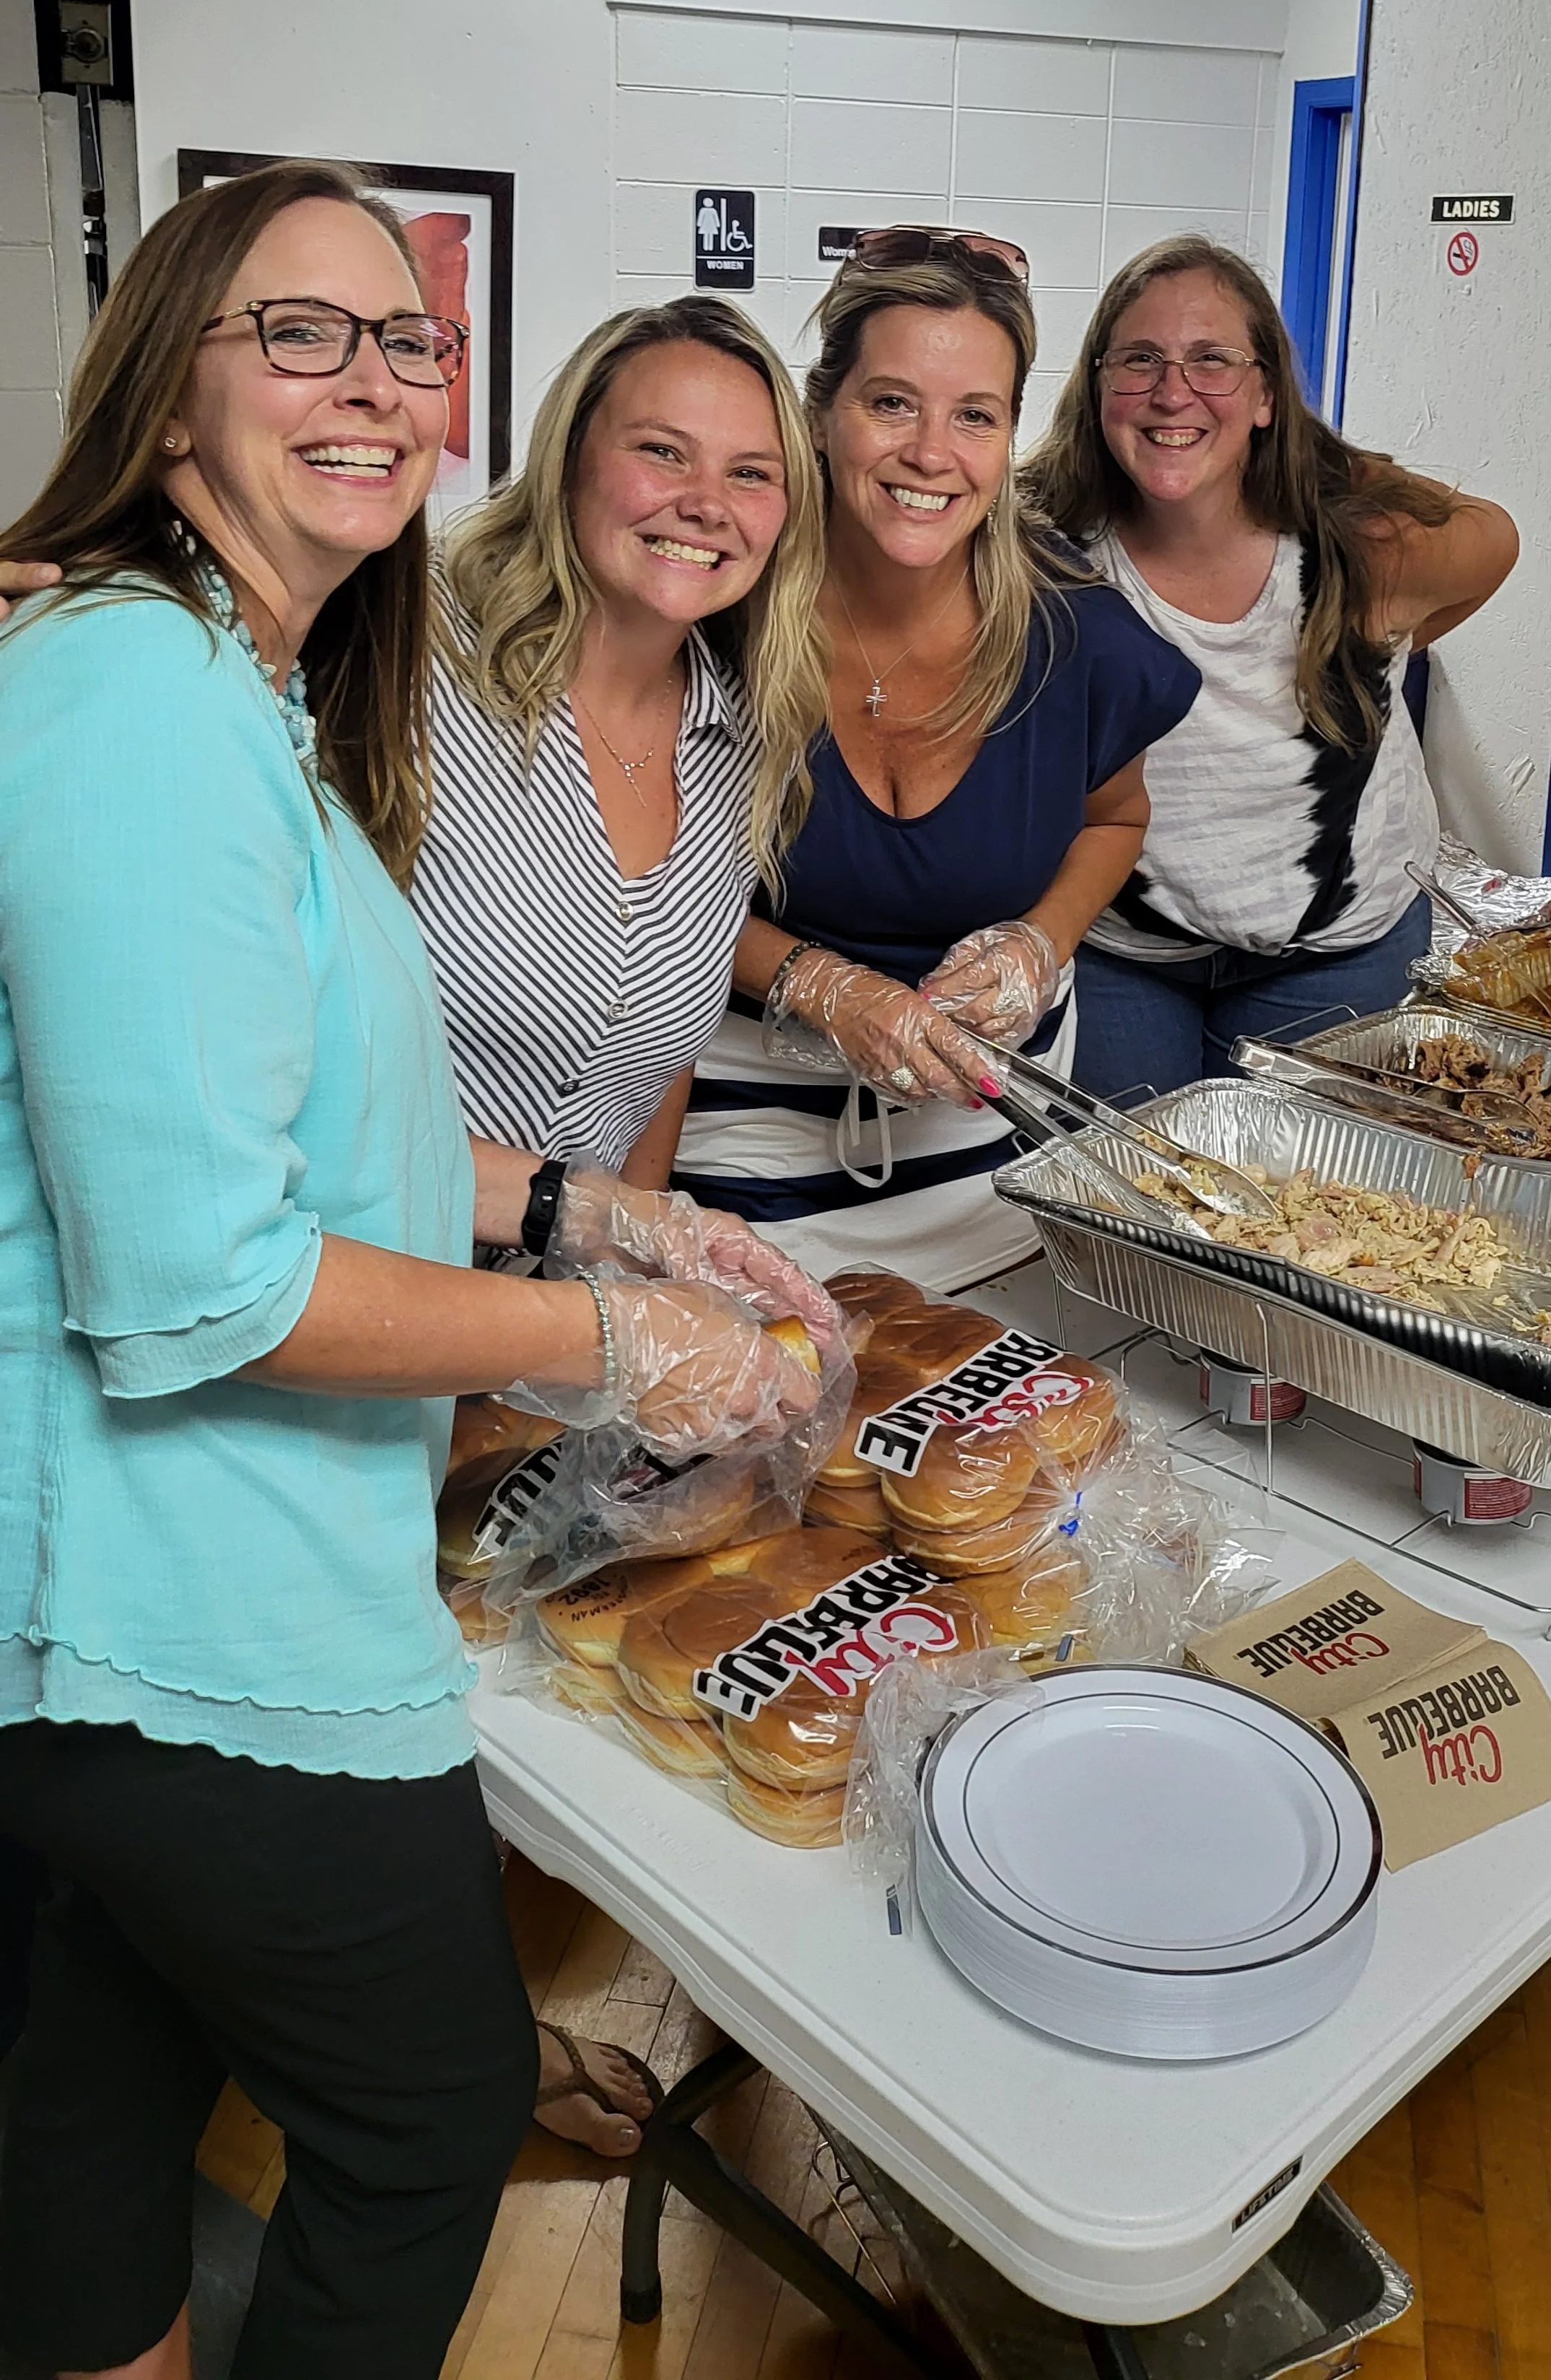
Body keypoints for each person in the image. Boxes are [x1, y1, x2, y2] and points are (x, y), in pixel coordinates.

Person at [0, 162, 824, 2380]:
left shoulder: (240, 686)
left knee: (97, 2074)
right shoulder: (134, 696)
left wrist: (595, 1207)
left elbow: (312, 1134)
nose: (370, 384)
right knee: (429, 2104)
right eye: (301, 333)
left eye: (404, 340)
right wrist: (611, 1336)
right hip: (187, 1598)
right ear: (168, 376)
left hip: (156, 1601)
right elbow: (203, 1276)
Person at [674, 230, 1200, 1286]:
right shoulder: (714, 608)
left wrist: (1040, 947)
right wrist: (816, 985)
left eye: (976, 416)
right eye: (891, 403)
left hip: (988, 1149)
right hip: (740, 1138)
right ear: (822, 414)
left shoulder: (1076, 639)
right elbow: (624, 878)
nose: (931, 454)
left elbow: (1113, 818)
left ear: (1011, 437)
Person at [1023, 237, 1518, 1096]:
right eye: (1140, 360)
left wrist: (1378, 619)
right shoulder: (1042, 554)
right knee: (1134, 1212)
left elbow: (1494, 542)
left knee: (1311, 1218)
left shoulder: (1363, 551)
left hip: (1337, 954)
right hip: (1123, 955)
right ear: (1098, 384)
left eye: (1212, 361)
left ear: (1264, 394)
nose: (1172, 391)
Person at [413, 296, 826, 1216]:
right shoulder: (416, 646)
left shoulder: (742, 739)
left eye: (751, 473)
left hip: (556, 1312)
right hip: (361, 1280)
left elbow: (658, 1069)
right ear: (567, 460)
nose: (706, 504)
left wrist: (643, 1278)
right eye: (661, 451)